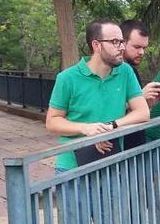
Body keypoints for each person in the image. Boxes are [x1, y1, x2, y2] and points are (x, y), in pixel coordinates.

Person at [46, 19, 150, 171]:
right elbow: (52, 122)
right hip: (73, 169)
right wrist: (85, 128)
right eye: (115, 42)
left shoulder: (125, 72)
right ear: (96, 45)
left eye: (122, 41)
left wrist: (110, 126)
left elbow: (143, 112)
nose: (121, 47)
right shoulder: (67, 78)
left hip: (111, 164)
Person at [119, 20, 160, 149]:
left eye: (144, 48)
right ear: (122, 43)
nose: (142, 52)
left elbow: (134, 112)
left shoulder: (131, 70)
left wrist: (147, 104)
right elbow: (105, 114)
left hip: (136, 146)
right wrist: (140, 98)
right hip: (121, 149)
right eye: (137, 47)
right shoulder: (115, 72)